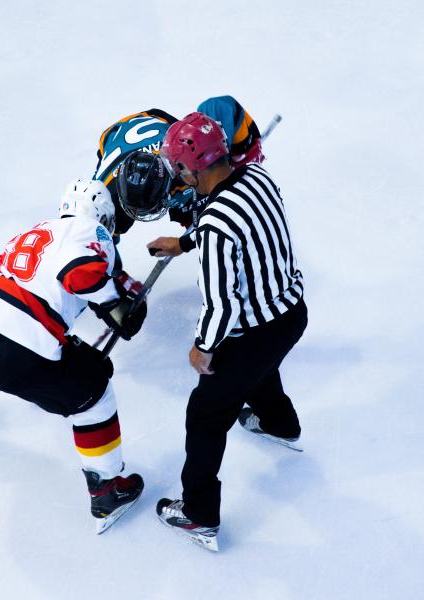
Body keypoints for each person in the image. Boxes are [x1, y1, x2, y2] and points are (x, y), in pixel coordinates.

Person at [0, 179, 147, 534]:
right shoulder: (90, 229)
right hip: (19, 347)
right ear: (103, 216)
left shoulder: (40, 228)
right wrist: (116, 305)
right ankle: (107, 490)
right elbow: (79, 273)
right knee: (96, 398)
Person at [154, 113, 308, 552]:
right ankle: (280, 425)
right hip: (291, 313)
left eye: (180, 167)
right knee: (259, 366)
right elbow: (236, 229)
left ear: (195, 168)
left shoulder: (217, 223)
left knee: (205, 414)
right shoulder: (255, 176)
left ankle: (199, 514)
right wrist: (183, 242)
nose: (178, 175)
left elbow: (223, 306)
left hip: (255, 329)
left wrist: (202, 349)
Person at [92, 96, 263, 273]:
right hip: (118, 139)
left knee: (214, 181)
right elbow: (94, 240)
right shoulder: (102, 199)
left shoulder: (185, 157)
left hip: (161, 131)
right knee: (106, 230)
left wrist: (242, 154)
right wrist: (115, 279)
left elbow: (220, 106)